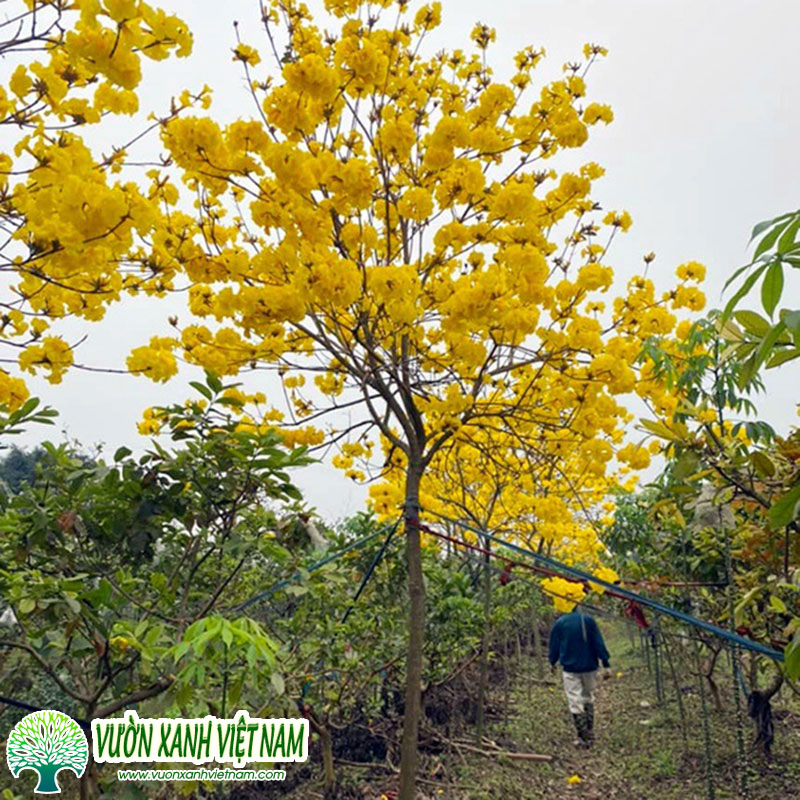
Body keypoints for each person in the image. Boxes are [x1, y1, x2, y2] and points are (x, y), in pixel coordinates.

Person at [548, 605, 611, 747]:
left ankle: (583, 737)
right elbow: (598, 642)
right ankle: (590, 731)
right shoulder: (588, 620)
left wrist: (552, 661)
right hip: (590, 667)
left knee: (575, 700)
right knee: (588, 696)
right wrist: (605, 662)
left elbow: (554, 646)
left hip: (570, 669)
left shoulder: (560, 623)